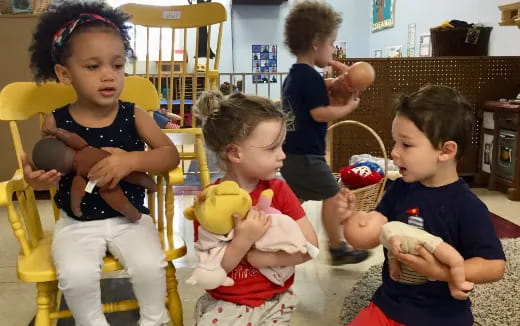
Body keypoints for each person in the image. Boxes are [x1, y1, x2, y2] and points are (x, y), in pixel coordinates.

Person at [22, 2, 180, 325]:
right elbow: (48, 166)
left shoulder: (133, 115)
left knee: (151, 265)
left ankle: (154, 318)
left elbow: (169, 155)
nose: (109, 75)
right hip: (77, 222)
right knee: (76, 275)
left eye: (118, 65)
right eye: (93, 67)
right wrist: (38, 180)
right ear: (65, 74)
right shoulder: (57, 121)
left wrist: (132, 160)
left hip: (131, 220)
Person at [346, 85, 506, 326]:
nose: (394, 152)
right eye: (395, 142)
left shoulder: (467, 206)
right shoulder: (399, 188)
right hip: (390, 305)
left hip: (442, 317)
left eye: (406, 145)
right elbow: (369, 236)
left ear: (445, 151)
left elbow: (494, 266)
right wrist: (349, 218)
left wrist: (441, 272)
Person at [191, 90, 319, 325]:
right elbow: (210, 271)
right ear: (235, 152)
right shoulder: (210, 201)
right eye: (272, 148)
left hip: (275, 303)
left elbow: (311, 247)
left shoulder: (279, 190)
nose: (282, 156)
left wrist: (266, 258)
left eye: (282, 146)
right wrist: (243, 240)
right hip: (225, 305)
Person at [280, 0, 368, 265]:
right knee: (333, 195)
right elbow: (319, 112)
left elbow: (313, 97)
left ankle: (274, 233)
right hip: (307, 156)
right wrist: (349, 108)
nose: (332, 49)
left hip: (292, 155)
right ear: (317, 42)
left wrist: (337, 77)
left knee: (292, 201)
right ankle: (338, 247)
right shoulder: (310, 77)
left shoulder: (295, 75)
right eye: (331, 43)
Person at [343, 210, 474, 300]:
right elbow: (392, 238)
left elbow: (391, 248)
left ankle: (456, 284)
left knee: (450, 263)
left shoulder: (386, 237)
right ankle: (458, 283)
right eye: (370, 214)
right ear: (364, 223)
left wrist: (394, 264)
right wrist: (394, 246)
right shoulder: (386, 228)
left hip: (426, 247)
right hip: (431, 245)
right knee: (456, 261)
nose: (375, 212)